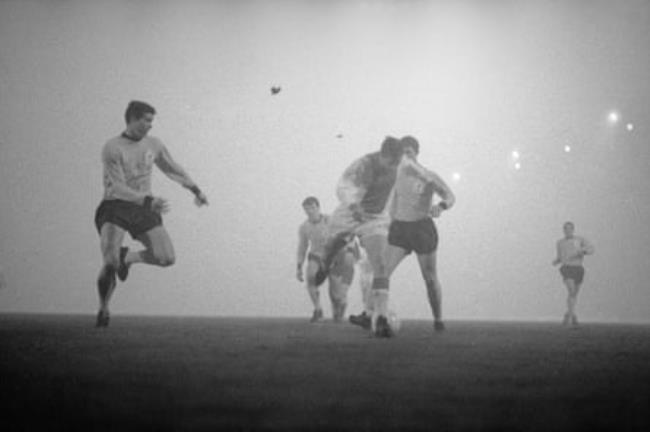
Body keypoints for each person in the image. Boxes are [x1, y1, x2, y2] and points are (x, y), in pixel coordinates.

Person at [93, 100, 208, 327]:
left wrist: (195, 189)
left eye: (151, 121)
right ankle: (103, 308)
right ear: (133, 119)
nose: (150, 125)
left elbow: (172, 168)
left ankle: (129, 258)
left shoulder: (154, 144)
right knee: (109, 262)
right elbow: (116, 187)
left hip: (143, 208)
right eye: (146, 120)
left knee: (166, 258)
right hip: (115, 206)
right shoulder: (112, 147)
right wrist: (147, 200)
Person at [316, 136, 404, 337]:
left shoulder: (400, 166)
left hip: (374, 219)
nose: (394, 167)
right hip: (349, 213)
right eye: (391, 162)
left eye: (397, 163)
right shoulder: (364, 165)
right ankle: (324, 264)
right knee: (331, 248)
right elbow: (342, 187)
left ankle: (380, 318)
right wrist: (354, 206)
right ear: (383, 155)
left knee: (380, 263)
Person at [382, 135, 455, 332]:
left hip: (422, 229)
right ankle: (377, 315)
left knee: (430, 279)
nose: (405, 157)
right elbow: (391, 201)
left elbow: (449, 196)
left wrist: (441, 206)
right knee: (382, 272)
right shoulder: (396, 174)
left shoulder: (428, 175)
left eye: (409, 153)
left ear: (416, 153)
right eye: (402, 153)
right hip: (400, 229)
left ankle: (438, 318)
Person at [296, 197, 358, 322]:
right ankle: (318, 310)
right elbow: (302, 247)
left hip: (335, 256)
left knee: (336, 296)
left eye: (312, 208)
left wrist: (349, 251)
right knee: (311, 276)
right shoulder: (304, 227)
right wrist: (299, 266)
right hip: (317, 256)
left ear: (318, 208)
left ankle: (339, 312)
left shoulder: (330, 221)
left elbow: (347, 234)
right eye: (307, 209)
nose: (310, 211)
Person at [552, 221, 594, 326]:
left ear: (573, 229)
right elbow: (560, 257)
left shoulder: (579, 240)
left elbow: (591, 249)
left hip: (578, 268)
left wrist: (582, 251)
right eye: (565, 228)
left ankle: (570, 314)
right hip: (567, 268)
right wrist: (556, 261)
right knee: (571, 290)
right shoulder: (560, 243)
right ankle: (570, 318)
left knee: (574, 294)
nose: (567, 230)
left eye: (569, 228)